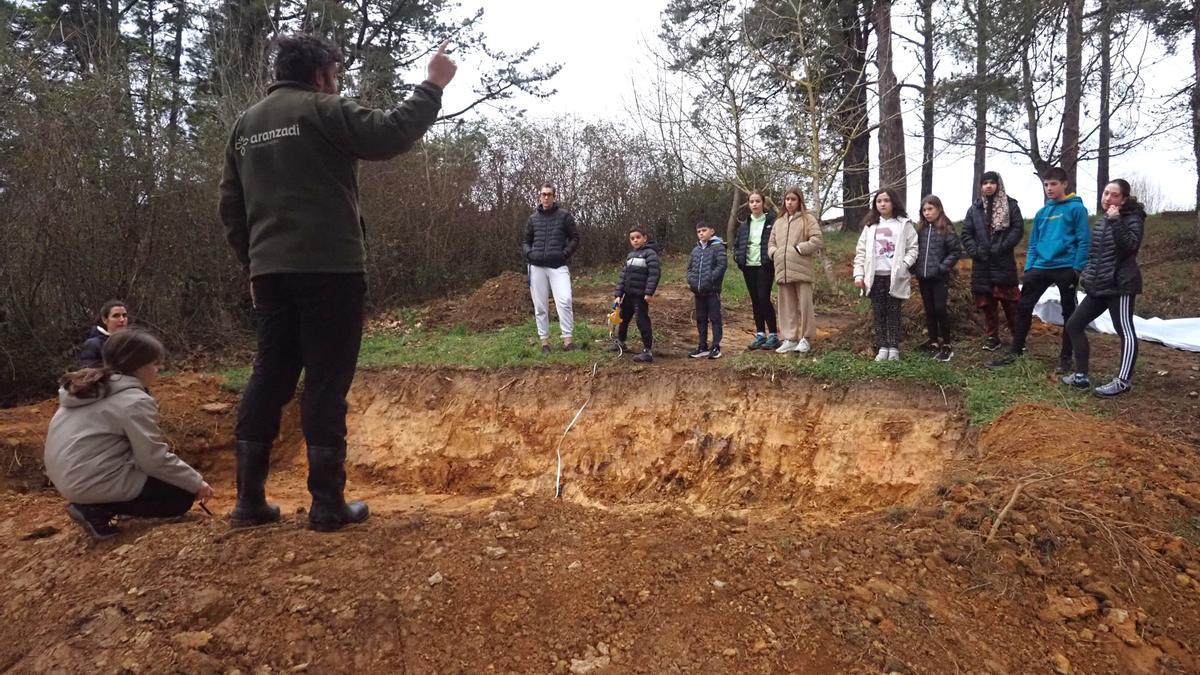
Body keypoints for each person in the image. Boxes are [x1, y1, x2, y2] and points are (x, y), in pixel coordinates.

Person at [218, 34, 456, 532]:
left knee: (269, 377)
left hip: (270, 274)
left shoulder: (245, 126)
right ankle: (327, 505)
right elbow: (390, 134)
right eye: (336, 73)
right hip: (330, 269)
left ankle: (248, 502)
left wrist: (254, 264)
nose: (338, 80)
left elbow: (231, 208)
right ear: (321, 73)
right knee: (325, 382)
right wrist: (432, 86)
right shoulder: (321, 109)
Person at [44, 330, 214, 540]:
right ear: (139, 367)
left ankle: (97, 504)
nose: (158, 369)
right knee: (180, 496)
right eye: (155, 364)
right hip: (88, 481)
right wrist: (196, 483)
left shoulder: (89, 389)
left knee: (167, 478)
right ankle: (96, 510)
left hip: (69, 477)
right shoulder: (133, 400)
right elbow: (152, 459)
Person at [989, 167, 1091, 370]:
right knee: (1023, 307)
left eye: (1054, 184)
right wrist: (1029, 268)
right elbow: (1034, 242)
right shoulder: (1042, 213)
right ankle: (1015, 352)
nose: (1049, 188)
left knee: (1069, 314)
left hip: (1065, 267)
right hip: (1040, 267)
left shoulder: (1077, 209)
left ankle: (1065, 358)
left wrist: (1077, 269)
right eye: (1046, 184)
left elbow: (1084, 241)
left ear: (1064, 184)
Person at [1062, 179, 1145, 397]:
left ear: (1124, 199)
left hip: (1121, 286)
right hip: (1099, 286)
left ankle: (1123, 381)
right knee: (1074, 324)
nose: (1108, 198)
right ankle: (1081, 376)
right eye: (1106, 193)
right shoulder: (1101, 222)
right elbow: (1094, 255)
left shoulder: (1133, 218)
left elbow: (1129, 247)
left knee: (1124, 331)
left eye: (1114, 195)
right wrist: (1087, 276)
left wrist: (1116, 221)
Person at [960, 171, 1024, 352]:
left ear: (998, 184)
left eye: (992, 182)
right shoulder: (975, 209)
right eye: (985, 183)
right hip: (982, 264)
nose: (988, 186)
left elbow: (1017, 229)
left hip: (1003, 262)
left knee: (1011, 304)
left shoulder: (1011, 205)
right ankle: (992, 337)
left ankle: (1018, 339)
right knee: (987, 304)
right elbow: (966, 233)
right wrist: (975, 250)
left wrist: (1002, 247)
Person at [853, 189, 919, 361]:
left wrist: (904, 266)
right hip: (875, 276)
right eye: (879, 201)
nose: (882, 204)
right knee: (879, 311)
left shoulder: (904, 224)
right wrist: (858, 275)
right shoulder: (870, 226)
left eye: (886, 200)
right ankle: (882, 346)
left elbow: (913, 248)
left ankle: (894, 347)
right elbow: (860, 252)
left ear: (894, 202)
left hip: (895, 277)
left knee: (894, 312)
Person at [523, 182, 580, 354]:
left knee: (565, 301)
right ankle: (545, 342)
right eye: (543, 194)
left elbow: (575, 238)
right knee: (540, 307)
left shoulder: (564, 216)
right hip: (537, 266)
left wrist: (564, 254)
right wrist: (530, 255)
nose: (546, 197)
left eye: (549, 194)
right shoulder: (533, 219)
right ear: (539, 196)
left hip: (558, 266)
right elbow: (526, 241)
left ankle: (568, 341)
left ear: (554, 197)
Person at [767, 186, 823, 353]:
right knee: (786, 306)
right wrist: (774, 253)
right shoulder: (778, 222)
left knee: (805, 305)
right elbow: (771, 244)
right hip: (783, 270)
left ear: (799, 201)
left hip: (802, 270)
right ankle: (790, 338)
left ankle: (806, 338)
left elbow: (817, 240)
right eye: (787, 199)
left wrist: (799, 249)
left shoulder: (808, 219)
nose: (790, 202)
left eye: (793, 199)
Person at [912, 196, 962, 362]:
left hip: (939, 277)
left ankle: (947, 345)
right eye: (924, 210)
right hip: (923, 277)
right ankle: (933, 342)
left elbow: (955, 251)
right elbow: (913, 249)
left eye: (930, 209)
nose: (927, 213)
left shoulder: (946, 229)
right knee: (929, 310)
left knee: (940, 308)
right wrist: (915, 268)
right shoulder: (920, 230)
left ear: (939, 209)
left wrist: (942, 268)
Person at [732, 191, 780, 350]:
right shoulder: (745, 225)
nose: (754, 204)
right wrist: (738, 259)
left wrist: (771, 258)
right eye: (751, 201)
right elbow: (738, 244)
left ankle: (773, 335)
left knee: (763, 298)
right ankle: (760, 334)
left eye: (757, 201)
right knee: (755, 300)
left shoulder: (772, 221)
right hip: (748, 267)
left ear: (763, 203)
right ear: (748, 204)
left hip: (765, 266)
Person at [610, 227, 660, 363]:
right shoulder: (630, 255)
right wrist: (618, 294)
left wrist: (649, 292)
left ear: (645, 238)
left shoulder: (650, 254)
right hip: (628, 295)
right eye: (632, 238)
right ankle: (621, 342)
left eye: (638, 237)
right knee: (623, 318)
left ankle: (647, 351)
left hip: (640, 296)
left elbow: (654, 274)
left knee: (641, 321)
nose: (635, 240)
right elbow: (623, 276)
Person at [686, 222, 728, 360]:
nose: (701, 233)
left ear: (712, 231)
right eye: (699, 231)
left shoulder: (718, 247)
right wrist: (691, 281)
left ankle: (715, 346)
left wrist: (710, 280)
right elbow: (690, 268)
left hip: (712, 291)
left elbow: (721, 266)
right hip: (698, 292)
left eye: (704, 230)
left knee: (715, 318)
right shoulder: (695, 250)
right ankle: (702, 346)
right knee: (701, 319)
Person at [79, 300, 129, 368]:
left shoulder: (133, 342)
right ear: (104, 319)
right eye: (116, 316)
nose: (122, 319)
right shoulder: (93, 344)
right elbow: (90, 374)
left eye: (124, 315)